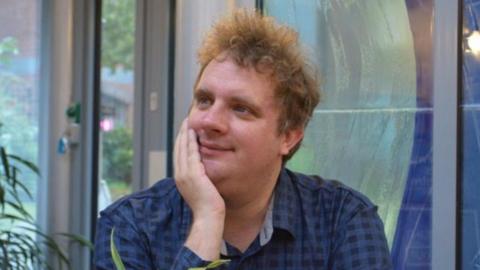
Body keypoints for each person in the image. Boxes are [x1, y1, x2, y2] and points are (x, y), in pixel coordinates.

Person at [94, 9, 392, 269]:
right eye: (204, 100)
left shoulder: (342, 221)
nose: (210, 121)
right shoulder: (130, 225)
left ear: (288, 137)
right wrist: (207, 220)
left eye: (241, 109)